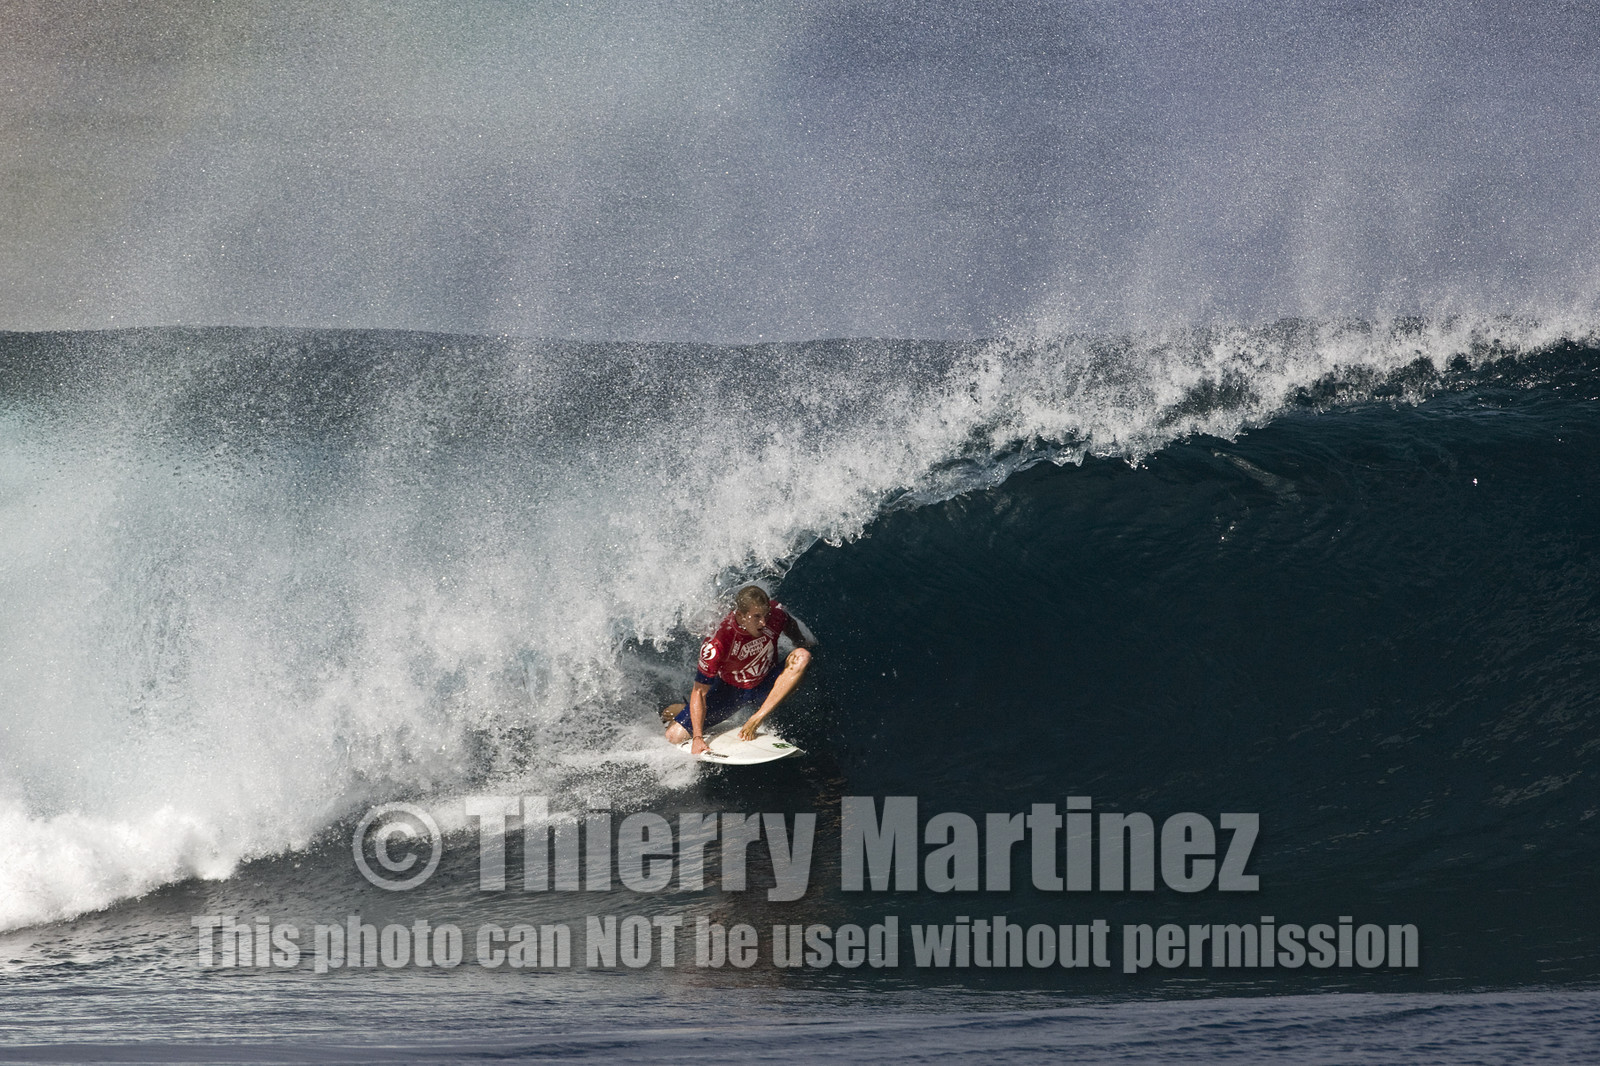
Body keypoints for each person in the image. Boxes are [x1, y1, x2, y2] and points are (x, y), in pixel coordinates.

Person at [662, 584, 816, 755]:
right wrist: (698, 738)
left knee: (802, 655)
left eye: (765, 615)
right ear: (741, 616)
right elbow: (699, 692)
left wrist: (800, 641)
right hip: (731, 693)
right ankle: (679, 709)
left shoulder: (776, 615)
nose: (763, 622)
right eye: (756, 617)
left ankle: (756, 718)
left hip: (767, 683)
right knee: (673, 735)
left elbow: (789, 624)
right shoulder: (717, 643)